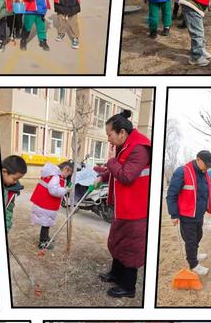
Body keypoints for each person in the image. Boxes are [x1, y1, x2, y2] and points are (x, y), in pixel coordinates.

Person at [93, 110, 152, 298]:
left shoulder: (139, 148)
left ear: (121, 133)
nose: (108, 139)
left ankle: (128, 287)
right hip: (123, 207)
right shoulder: (125, 146)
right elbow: (118, 169)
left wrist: (110, 162)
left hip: (136, 210)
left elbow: (126, 176)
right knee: (117, 242)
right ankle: (115, 274)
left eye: (109, 135)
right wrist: (103, 176)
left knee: (130, 247)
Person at [166, 150, 211, 277]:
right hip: (186, 215)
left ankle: (194, 253)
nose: (207, 168)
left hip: (199, 214)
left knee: (198, 236)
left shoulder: (206, 175)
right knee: (191, 240)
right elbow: (171, 195)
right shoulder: (182, 171)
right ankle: (193, 265)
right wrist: (174, 214)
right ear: (198, 159)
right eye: (206, 165)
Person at [30, 161, 74, 249]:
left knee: (46, 223)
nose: (68, 176)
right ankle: (43, 242)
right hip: (46, 205)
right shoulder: (56, 177)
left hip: (44, 203)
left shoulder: (54, 175)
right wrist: (65, 190)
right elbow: (53, 190)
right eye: (69, 173)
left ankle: (46, 238)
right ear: (65, 169)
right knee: (46, 224)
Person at [1, 155, 27, 231]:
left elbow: (9, 211)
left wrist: (7, 227)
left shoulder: (12, 190)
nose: (15, 182)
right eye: (14, 179)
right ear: (4, 172)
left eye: (17, 179)